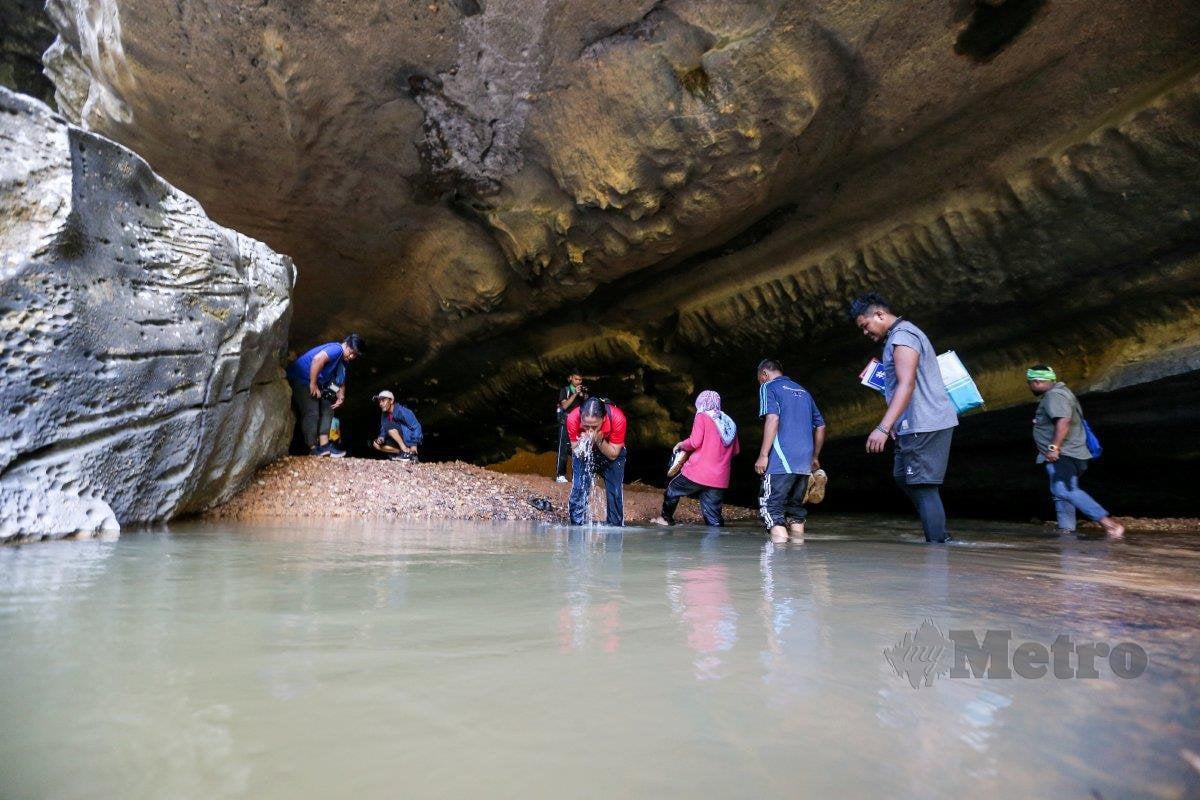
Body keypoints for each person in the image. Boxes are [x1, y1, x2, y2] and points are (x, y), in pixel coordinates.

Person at [849, 293, 956, 543]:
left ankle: (938, 547)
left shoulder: (903, 337)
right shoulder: (898, 337)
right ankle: (939, 534)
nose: (865, 332)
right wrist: (896, 422)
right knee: (903, 476)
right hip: (913, 423)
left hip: (924, 422)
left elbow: (906, 384)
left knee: (922, 485)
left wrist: (883, 427)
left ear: (879, 314)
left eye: (865, 325)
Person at [1026, 365, 1124, 538]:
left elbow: (1064, 421)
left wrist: (1054, 448)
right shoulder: (1062, 393)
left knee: (1064, 490)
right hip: (1071, 453)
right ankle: (1066, 531)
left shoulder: (1054, 395)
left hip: (1064, 453)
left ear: (1038, 381)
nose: (1029, 387)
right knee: (1061, 492)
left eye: (1030, 383)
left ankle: (1110, 525)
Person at [755, 359, 825, 544]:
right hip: (804, 461)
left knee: (772, 509)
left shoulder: (768, 387)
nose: (760, 383)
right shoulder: (803, 391)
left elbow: (772, 419)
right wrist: (815, 456)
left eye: (759, 379)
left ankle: (778, 557)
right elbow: (820, 426)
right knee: (796, 511)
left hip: (781, 459)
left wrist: (763, 455)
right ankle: (797, 554)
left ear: (764, 375)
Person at [651, 390, 740, 527]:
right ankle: (720, 538)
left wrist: (681, 444)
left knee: (673, 489)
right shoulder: (728, 422)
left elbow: (694, 442)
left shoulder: (702, 416)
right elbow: (736, 451)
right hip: (719, 477)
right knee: (713, 517)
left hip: (698, 471)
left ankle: (665, 519)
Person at [286, 333, 364, 457]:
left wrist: (341, 395)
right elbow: (318, 359)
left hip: (322, 383)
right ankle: (313, 448)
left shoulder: (344, 361)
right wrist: (313, 383)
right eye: (351, 352)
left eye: (355, 355)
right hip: (302, 379)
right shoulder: (336, 349)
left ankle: (324, 446)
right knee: (312, 411)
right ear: (346, 344)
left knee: (328, 408)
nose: (351, 356)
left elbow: (340, 379)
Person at [566, 397, 627, 526]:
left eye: (594, 426)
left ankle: (615, 528)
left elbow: (613, 455)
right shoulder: (572, 418)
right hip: (584, 452)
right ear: (580, 417)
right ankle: (576, 527)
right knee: (579, 487)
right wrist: (583, 443)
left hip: (611, 451)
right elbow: (576, 451)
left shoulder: (617, 418)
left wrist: (599, 441)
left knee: (614, 491)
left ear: (603, 419)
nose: (589, 430)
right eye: (585, 426)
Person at [369, 390, 423, 462]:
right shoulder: (384, 414)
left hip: (408, 440)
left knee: (389, 426)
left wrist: (413, 446)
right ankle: (402, 453)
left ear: (391, 401)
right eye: (379, 401)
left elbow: (416, 426)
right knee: (376, 444)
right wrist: (381, 438)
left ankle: (407, 451)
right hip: (396, 439)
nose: (380, 404)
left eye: (383, 400)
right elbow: (383, 429)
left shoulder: (402, 411)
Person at [555, 372, 587, 483]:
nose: (578, 381)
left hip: (578, 422)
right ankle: (560, 475)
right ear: (570, 378)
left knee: (578, 448)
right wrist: (575, 394)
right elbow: (564, 406)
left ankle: (576, 475)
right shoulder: (565, 390)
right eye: (576, 379)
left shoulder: (582, 391)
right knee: (563, 447)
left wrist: (583, 396)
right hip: (566, 421)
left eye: (580, 380)